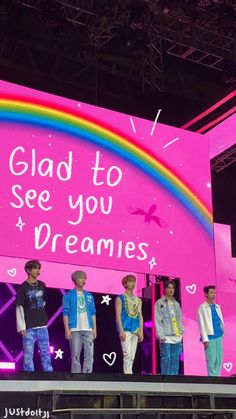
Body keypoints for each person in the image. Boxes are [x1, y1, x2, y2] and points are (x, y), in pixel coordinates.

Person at [15, 259, 53, 372]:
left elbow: (44, 302)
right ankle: (28, 375)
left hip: (42, 324)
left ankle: (48, 373)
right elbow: (19, 306)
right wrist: (21, 326)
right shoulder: (23, 287)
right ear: (28, 270)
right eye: (35, 268)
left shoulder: (42, 285)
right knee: (28, 352)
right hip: (29, 326)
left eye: (38, 268)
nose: (38, 270)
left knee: (45, 350)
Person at [62, 271, 96, 373]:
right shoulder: (68, 295)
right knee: (75, 355)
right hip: (74, 329)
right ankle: (76, 378)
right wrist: (67, 330)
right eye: (81, 278)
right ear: (75, 280)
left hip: (88, 328)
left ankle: (87, 376)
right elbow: (65, 313)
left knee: (89, 354)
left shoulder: (89, 296)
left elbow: (93, 313)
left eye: (84, 278)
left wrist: (94, 328)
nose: (83, 280)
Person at [115, 274, 143, 374]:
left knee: (132, 355)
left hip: (135, 330)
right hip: (125, 330)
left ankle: (129, 374)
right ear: (125, 284)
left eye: (134, 281)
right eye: (130, 281)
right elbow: (118, 315)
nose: (133, 283)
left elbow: (140, 316)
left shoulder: (138, 300)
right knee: (127, 354)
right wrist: (121, 330)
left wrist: (141, 331)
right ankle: (128, 376)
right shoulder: (120, 298)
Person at [154, 280, 183, 375]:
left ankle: (174, 383)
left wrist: (181, 333)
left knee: (175, 360)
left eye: (173, 288)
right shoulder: (159, 303)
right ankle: (165, 381)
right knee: (166, 358)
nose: (171, 290)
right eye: (169, 288)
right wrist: (160, 336)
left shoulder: (177, 304)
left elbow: (179, 319)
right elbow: (158, 320)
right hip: (166, 336)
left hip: (177, 336)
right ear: (165, 289)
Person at [198, 285, 224, 376]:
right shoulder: (202, 307)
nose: (213, 295)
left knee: (219, 359)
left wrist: (222, 332)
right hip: (210, 338)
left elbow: (220, 320)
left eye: (214, 293)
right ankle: (213, 382)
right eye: (211, 293)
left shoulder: (217, 306)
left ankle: (218, 379)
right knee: (211, 360)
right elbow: (201, 324)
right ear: (206, 294)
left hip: (219, 336)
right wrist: (205, 339)